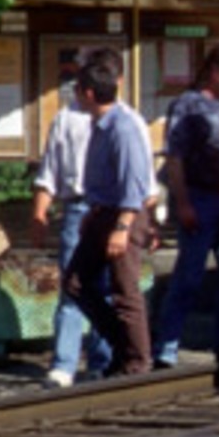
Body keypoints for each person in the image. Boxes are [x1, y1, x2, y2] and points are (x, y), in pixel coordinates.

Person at [155, 42, 219, 369]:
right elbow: (175, 157)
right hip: (200, 195)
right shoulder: (189, 105)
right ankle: (166, 344)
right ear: (213, 70)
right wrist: (182, 203)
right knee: (189, 275)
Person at [63, 55, 154, 376]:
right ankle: (125, 345)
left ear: (88, 94)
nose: (74, 94)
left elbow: (135, 181)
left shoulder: (123, 128)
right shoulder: (100, 125)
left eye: (77, 89)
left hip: (122, 215)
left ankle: (137, 363)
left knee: (125, 291)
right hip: (101, 212)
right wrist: (93, 211)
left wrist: (123, 226)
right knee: (76, 282)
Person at [30, 88, 111, 388]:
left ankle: (102, 360)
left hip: (108, 208)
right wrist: (39, 215)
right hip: (77, 205)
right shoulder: (65, 119)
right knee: (72, 287)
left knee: (104, 287)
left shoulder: (123, 119)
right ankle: (64, 363)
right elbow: (48, 171)